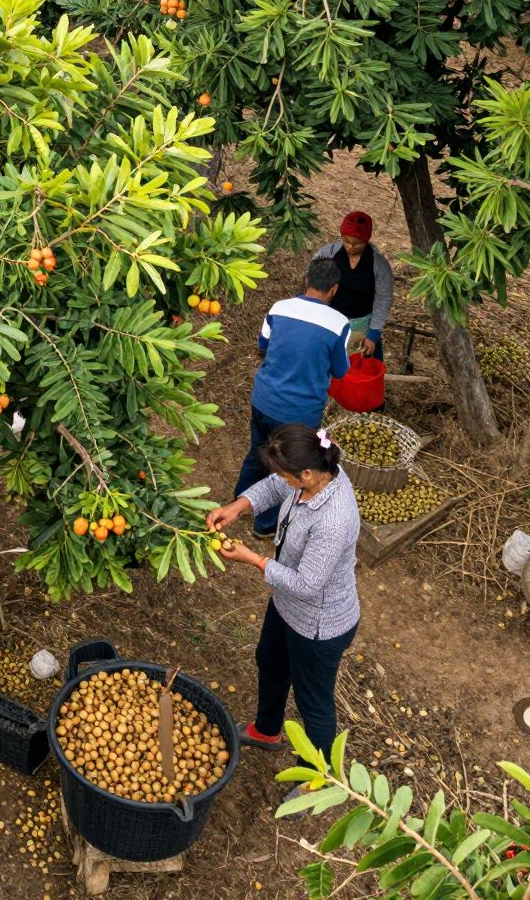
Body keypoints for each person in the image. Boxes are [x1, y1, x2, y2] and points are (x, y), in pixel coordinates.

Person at [207, 423, 361, 756]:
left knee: (313, 703)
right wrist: (240, 506)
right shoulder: (316, 472)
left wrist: (255, 560)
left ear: (307, 473)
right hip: (286, 604)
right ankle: (266, 730)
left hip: (319, 625)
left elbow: (307, 585)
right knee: (270, 661)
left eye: (288, 475)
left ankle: (318, 778)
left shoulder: (334, 520)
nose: (283, 480)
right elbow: (277, 485)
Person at [234, 256, 351, 536]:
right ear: (334, 289)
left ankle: (240, 503)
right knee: (287, 468)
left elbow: (263, 343)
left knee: (257, 452)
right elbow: (340, 371)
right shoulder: (339, 324)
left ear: (307, 280)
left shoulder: (279, 308)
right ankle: (265, 524)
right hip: (299, 413)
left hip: (263, 398)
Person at [314, 211, 392, 360]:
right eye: (346, 241)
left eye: (357, 244)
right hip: (330, 319)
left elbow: (383, 299)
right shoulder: (327, 255)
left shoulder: (379, 265)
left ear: (366, 240)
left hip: (363, 325)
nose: (350, 247)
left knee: (357, 369)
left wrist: (373, 334)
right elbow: (313, 285)